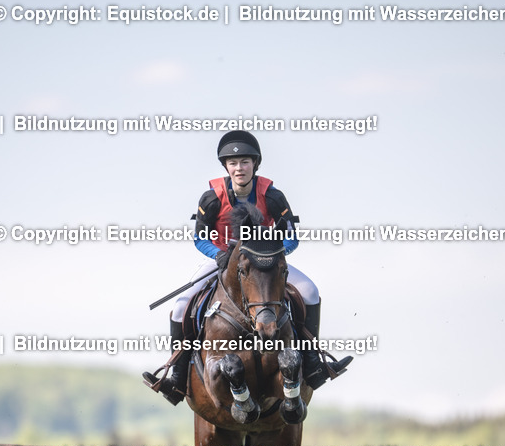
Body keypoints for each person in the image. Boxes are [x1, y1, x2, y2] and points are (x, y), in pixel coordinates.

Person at [144, 130, 352, 405]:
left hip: (266, 262)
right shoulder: (211, 198)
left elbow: (291, 237)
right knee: (182, 305)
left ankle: (314, 363)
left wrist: (274, 253)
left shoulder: (273, 196)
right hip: (222, 260)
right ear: (226, 167)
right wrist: (219, 255)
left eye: (244, 162)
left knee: (310, 292)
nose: (239, 168)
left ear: (255, 164)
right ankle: (177, 377)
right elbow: (199, 238)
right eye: (233, 163)